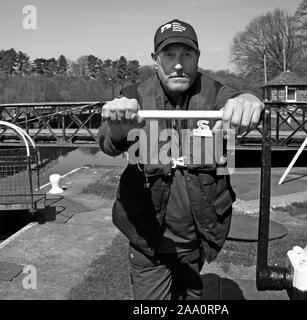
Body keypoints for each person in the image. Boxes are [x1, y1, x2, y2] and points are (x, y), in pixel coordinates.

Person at [97, 18, 264, 300]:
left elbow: (239, 98)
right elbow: (106, 143)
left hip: (198, 238)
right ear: (155, 60)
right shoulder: (134, 95)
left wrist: (250, 100)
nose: (178, 64)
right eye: (169, 55)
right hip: (146, 239)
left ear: (197, 58)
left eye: (187, 54)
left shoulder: (215, 93)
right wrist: (117, 125)